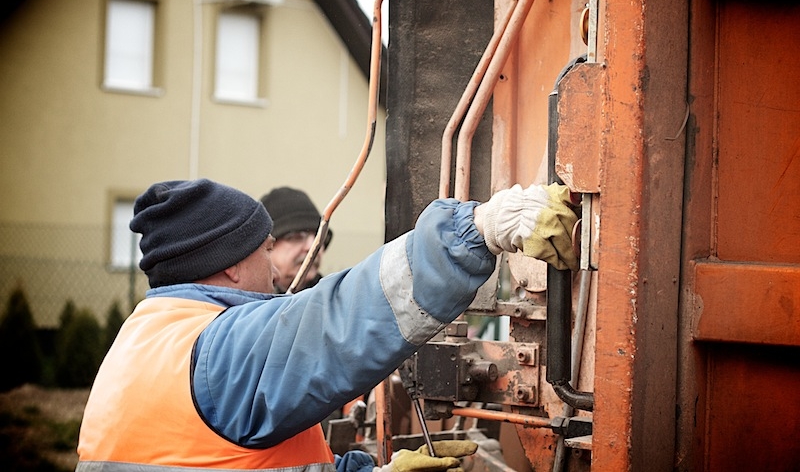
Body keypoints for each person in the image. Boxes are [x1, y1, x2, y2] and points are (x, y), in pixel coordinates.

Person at [76, 178, 578, 472]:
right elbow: (344, 318)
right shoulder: (221, 350)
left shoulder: (146, 337)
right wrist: (481, 229)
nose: (272, 265)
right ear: (230, 264)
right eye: (267, 247)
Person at [259, 186, 331, 293]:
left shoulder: (337, 301)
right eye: (297, 237)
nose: (312, 246)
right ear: (266, 247)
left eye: (319, 237)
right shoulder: (243, 306)